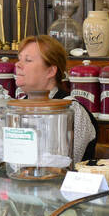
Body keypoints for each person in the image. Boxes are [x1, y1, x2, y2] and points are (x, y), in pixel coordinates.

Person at [14, 34, 98, 164]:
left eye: (28, 60)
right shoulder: (15, 108)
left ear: (50, 71)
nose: (18, 64)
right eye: (19, 59)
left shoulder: (73, 111)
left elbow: (63, 165)